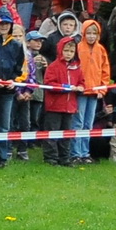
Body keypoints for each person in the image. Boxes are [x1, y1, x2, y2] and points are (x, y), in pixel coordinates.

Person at [71, 19, 110, 163]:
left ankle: (85, 153)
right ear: (83, 33)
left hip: (95, 93)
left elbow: (105, 71)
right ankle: (76, 153)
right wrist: (77, 86)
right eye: (89, 33)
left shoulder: (101, 49)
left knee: (88, 124)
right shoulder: (78, 47)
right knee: (78, 123)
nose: (92, 36)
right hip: (81, 92)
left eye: (95, 33)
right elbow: (74, 69)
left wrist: (103, 89)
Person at [42, 34, 82, 166]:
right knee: (52, 133)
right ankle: (51, 158)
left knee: (67, 134)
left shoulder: (77, 68)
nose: (69, 54)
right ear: (60, 50)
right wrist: (66, 88)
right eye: (66, 50)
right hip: (54, 106)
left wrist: (81, 87)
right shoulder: (53, 66)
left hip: (70, 106)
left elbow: (82, 82)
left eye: (71, 51)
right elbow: (49, 84)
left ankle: (65, 157)